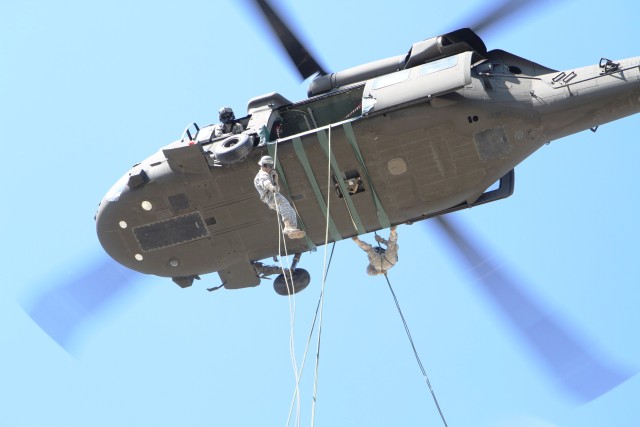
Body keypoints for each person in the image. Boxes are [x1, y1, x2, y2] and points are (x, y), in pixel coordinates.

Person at [254, 155, 305, 239]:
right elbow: (266, 183)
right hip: (270, 196)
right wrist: (271, 187)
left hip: (273, 196)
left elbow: (277, 188)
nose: (267, 168)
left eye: (269, 166)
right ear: (262, 165)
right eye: (265, 165)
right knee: (284, 203)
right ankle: (288, 227)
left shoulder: (270, 174)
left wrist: (275, 179)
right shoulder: (262, 175)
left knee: (290, 210)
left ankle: (292, 229)